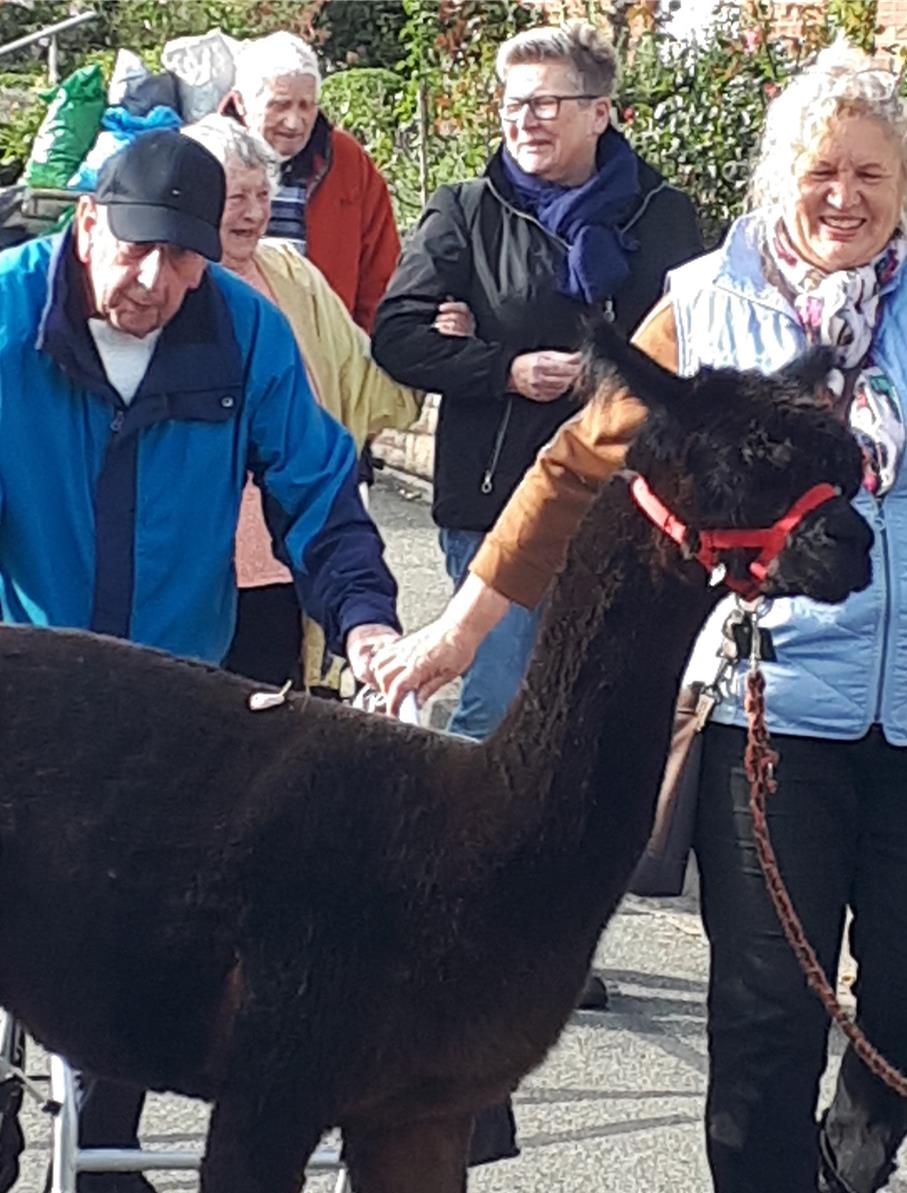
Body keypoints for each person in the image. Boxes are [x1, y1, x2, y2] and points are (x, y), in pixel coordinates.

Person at [370, 45, 907, 1193]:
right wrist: (459, 634)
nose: (846, 198)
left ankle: (837, 1184)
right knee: (769, 999)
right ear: (780, 179)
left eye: (872, 175)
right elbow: (572, 470)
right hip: (771, 705)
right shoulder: (704, 308)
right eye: (821, 173)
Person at [0, 130, 405, 1193]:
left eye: (180, 263)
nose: (154, 283)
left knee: (138, 919)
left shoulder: (241, 331)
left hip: (172, 678)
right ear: (86, 226)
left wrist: (364, 617)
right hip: (24, 669)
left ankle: (108, 1152)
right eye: (134, 254)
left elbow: (319, 490)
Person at [371, 20, 703, 1011]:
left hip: (634, 514)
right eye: (511, 102)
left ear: (602, 112)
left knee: (591, 729)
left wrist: (596, 375)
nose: (523, 119)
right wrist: (501, 368)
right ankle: (463, 924)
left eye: (545, 101)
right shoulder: (464, 212)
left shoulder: (660, 217)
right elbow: (397, 333)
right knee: (497, 707)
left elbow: (686, 344)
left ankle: (555, 932)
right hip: (498, 502)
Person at [181, 115, 421, 689]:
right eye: (235, 196)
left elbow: (358, 367)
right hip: (192, 558)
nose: (253, 212)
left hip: (280, 548)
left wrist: (432, 347)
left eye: (262, 194)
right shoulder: (170, 281)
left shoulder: (290, 273)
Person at [225, 31, 400, 332]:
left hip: (326, 350)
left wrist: (363, 351)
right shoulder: (209, 157)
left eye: (306, 106)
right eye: (280, 105)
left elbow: (381, 273)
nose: (295, 122)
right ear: (241, 103)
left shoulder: (346, 160)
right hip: (232, 341)